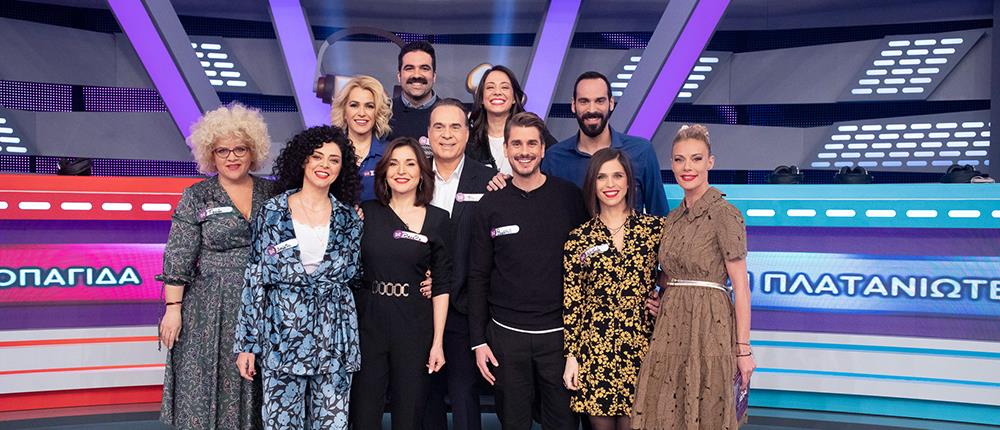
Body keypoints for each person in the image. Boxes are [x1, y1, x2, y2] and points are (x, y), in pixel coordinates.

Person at [234, 125, 363, 430]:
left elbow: (356, 275)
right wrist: (247, 344)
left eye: (333, 160)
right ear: (303, 160)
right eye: (317, 156)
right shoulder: (272, 212)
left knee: (332, 425)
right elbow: (255, 279)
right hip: (282, 338)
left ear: (342, 168)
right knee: (281, 425)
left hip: (334, 340)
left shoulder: (349, 219)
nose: (324, 165)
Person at [157, 103, 274, 430]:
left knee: (259, 388)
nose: (232, 157)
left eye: (240, 149)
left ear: (253, 151)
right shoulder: (197, 196)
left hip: (263, 304)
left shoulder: (273, 192)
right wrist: (173, 309)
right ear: (211, 154)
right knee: (207, 388)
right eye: (223, 150)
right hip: (209, 311)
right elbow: (178, 254)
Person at [468, 112, 588, 430]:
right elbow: (478, 275)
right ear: (506, 149)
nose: (525, 152)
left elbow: (588, 267)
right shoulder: (490, 205)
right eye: (517, 144)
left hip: (559, 338)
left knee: (563, 424)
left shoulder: (570, 198)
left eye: (532, 144)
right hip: (506, 338)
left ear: (543, 148)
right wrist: (478, 341)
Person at [631, 125, 755, 429]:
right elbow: (671, 275)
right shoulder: (672, 219)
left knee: (706, 406)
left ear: (710, 162)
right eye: (679, 159)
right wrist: (661, 295)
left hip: (710, 325)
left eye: (696, 159)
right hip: (670, 326)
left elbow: (741, 286)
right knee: (664, 409)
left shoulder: (725, 214)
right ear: (672, 165)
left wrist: (743, 349)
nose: (688, 167)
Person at [350, 137, 452, 430]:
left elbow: (442, 284)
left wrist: (437, 343)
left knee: (409, 416)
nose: (401, 171)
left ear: (422, 172)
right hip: (369, 322)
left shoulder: (438, 219)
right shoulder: (366, 213)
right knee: (364, 414)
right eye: (393, 164)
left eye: (410, 164)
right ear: (384, 172)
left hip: (415, 324)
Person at [561, 149, 662, 430]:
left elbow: (676, 276)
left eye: (617, 176)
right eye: (602, 177)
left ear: (629, 181)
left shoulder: (655, 230)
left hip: (641, 348)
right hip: (595, 351)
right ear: (592, 184)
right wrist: (572, 357)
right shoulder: (579, 238)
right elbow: (573, 302)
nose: (610, 184)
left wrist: (663, 300)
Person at [422, 98, 496, 430]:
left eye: (455, 127)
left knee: (465, 399)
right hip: (420, 307)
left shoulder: (489, 181)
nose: (447, 134)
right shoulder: (413, 175)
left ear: (467, 133)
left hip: (465, 310)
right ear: (428, 133)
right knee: (426, 399)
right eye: (439, 126)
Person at [541, 71, 669, 216]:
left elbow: (660, 216)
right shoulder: (554, 158)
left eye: (600, 101)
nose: (592, 109)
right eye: (584, 101)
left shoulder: (642, 151)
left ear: (611, 103)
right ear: (573, 105)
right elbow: (544, 215)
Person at [467, 65, 557, 174]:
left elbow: (557, 160)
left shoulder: (534, 130)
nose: (497, 92)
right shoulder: (468, 140)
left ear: (514, 98)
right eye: (490, 87)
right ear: (481, 98)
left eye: (504, 87)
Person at [330, 75, 393, 201]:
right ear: (344, 112)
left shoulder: (390, 153)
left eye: (369, 106)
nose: (362, 113)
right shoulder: (330, 150)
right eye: (354, 105)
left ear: (377, 112)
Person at [387, 41, 439, 155]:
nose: (416, 75)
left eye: (424, 68)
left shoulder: (449, 114)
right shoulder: (383, 112)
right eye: (409, 68)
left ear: (434, 76)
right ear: (399, 76)